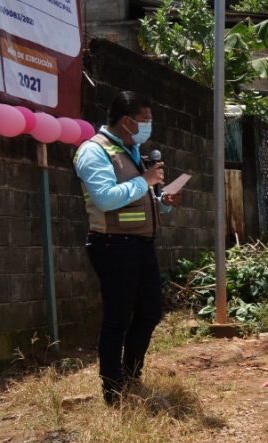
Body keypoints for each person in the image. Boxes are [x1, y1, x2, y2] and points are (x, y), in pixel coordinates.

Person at [75, 91, 180, 406]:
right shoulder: (93, 151)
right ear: (126, 121)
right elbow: (106, 198)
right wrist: (145, 180)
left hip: (140, 244)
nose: (148, 127)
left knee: (150, 312)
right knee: (117, 318)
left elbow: (138, 198)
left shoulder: (132, 148)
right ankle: (113, 391)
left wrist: (164, 202)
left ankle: (131, 375)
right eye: (144, 121)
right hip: (112, 245)